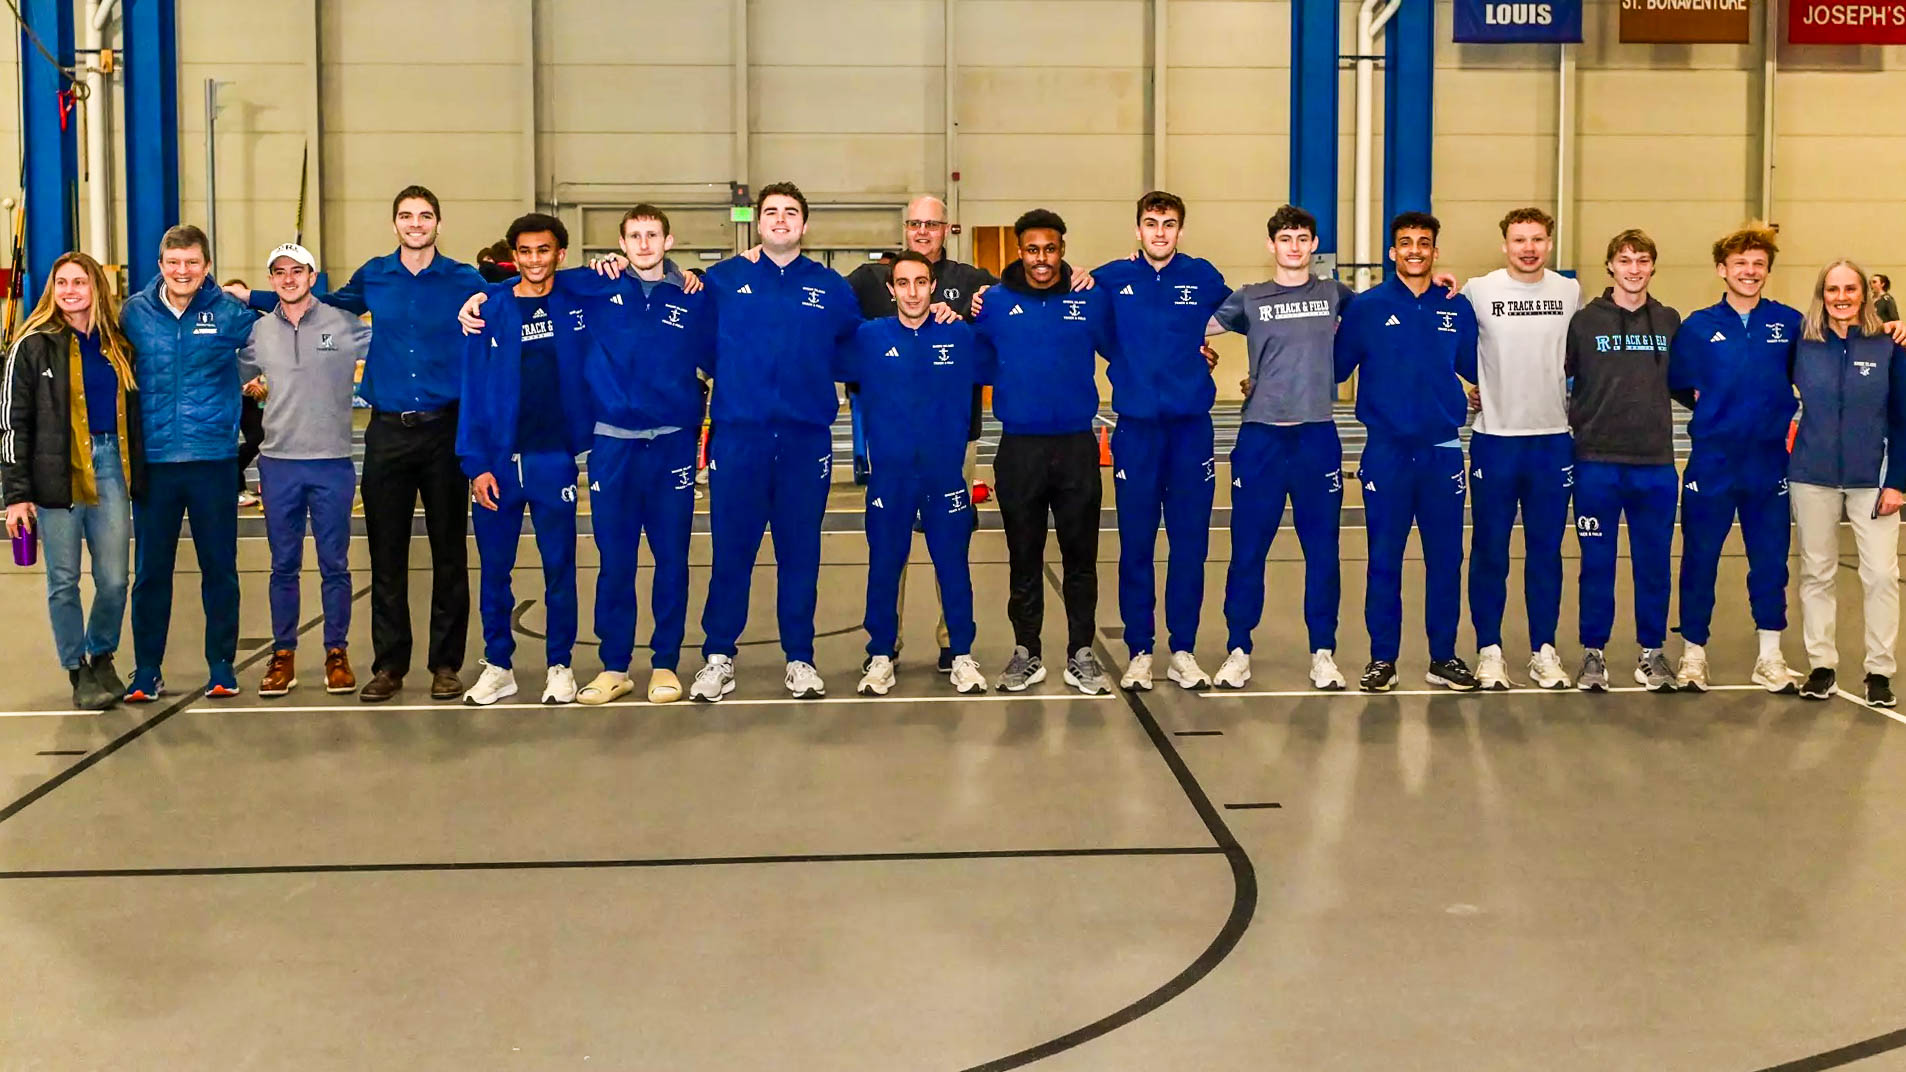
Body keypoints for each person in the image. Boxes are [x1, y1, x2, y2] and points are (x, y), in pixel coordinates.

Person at [232, 186, 487, 703]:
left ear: (439, 222)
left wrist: (491, 298)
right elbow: (312, 302)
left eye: (425, 215)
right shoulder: (374, 274)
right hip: (388, 431)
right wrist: (249, 299)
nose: (415, 223)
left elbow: (516, 294)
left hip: (445, 430)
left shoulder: (464, 279)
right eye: (406, 215)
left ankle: (445, 665)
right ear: (394, 223)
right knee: (385, 555)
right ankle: (389, 666)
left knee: (449, 555)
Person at [687, 182, 860, 702]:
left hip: (806, 441)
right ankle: (719, 656)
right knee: (731, 552)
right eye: (771, 212)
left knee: (800, 553)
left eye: (791, 213)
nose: (781, 219)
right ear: (757, 223)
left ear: (804, 226)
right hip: (740, 438)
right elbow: (695, 343)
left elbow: (854, 350)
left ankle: (800, 657)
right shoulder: (722, 281)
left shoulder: (831, 288)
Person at [1205, 204, 1352, 691]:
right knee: (1248, 550)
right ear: (1271, 245)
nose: (1294, 246)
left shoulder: (1334, 294)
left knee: (1322, 551)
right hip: (1261, 438)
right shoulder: (1248, 298)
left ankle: (1323, 652)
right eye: (1285, 238)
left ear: (1314, 245)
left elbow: (1388, 311)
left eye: (1303, 238)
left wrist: (1441, 286)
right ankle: (1238, 649)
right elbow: (1189, 327)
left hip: (1315, 437)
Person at [1334, 212, 1481, 693]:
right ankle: (1383, 658)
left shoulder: (1455, 307)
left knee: (1446, 560)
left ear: (1436, 251)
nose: (1415, 250)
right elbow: (1333, 368)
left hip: (1441, 454)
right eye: (1405, 243)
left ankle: (1444, 656)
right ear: (1392, 252)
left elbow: (1476, 366)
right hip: (1386, 453)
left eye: (1424, 243)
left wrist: (1477, 392)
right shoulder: (1368, 307)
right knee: (1384, 559)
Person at [1089, 191, 1229, 692]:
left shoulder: (1203, 274)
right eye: (1151, 223)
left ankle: (1184, 650)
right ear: (1137, 230)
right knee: (1137, 547)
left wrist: (1203, 346)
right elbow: (1070, 300)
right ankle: (1140, 650)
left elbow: (1246, 310)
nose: (1160, 232)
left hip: (1191, 429)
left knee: (1190, 545)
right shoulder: (1110, 278)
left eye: (1169, 224)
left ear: (1181, 231)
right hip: (1137, 432)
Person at [456, 214, 595, 706]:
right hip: (496, 463)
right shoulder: (489, 308)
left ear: (560, 252)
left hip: (552, 459)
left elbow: (634, 273)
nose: (534, 259)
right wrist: (475, 462)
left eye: (544, 250)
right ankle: (499, 665)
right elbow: (472, 387)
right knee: (495, 571)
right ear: (512, 255)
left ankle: (561, 665)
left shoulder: (578, 298)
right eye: (525, 251)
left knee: (560, 566)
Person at [975, 208, 1115, 695]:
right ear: (1019, 251)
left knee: (1081, 557)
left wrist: (1195, 352)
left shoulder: (1087, 299)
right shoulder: (991, 302)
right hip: (1019, 450)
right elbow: (960, 349)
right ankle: (1026, 652)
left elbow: (1130, 346)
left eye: (1051, 249)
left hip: (1076, 447)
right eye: (1033, 249)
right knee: (1023, 556)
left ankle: (1081, 652)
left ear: (1062, 249)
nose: (1042, 259)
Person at [843, 251, 991, 696]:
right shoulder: (868, 337)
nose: (912, 291)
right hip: (890, 478)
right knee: (885, 566)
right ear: (891, 290)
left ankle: (962, 654)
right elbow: (807, 345)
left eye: (921, 282)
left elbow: (1015, 333)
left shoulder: (960, 336)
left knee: (953, 566)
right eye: (903, 283)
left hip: (945, 476)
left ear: (933, 287)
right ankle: (882, 654)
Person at [120, 225, 258, 701]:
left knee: (219, 568)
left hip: (213, 461)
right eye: (174, 263)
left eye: (192, 263)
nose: (183, 271)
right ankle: (146, 669)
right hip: (154, 465)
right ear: (161, 265)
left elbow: (277, 342)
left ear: (206, 266)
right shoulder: (133, 314)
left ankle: (221, 665)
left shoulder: (229, 314)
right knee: (151, 572)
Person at [1, 252, 144, 710]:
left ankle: (102, 653)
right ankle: (76, 668)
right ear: (52, 289)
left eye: (79, 282)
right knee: (63, 580)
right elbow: (11, 423)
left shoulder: (118, 345)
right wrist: (16, 496)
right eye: (61, 282)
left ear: (96, 289)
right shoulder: (32, 345)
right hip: (54, 476)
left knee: (114, 579)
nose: (69, 290)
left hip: (109, 467)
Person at [1669, 224, 1804, 694]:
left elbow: (1813, 370)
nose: (1750, 272)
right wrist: (1716, 412)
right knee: (1700, 558)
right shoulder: (1698, 326)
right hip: (1713, 461)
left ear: (1767, 271)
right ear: (1721, 270)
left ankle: (1770, 656)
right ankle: (1693, 654)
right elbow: (1680, 384)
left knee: (1770, 561)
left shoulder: (1789, 323)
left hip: (1768, 463)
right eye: (1741, 264)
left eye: (1758, 265)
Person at [240, 243, 370, 699]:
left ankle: (337, 652)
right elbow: (226, 371)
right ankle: (284, 656)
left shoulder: (345, 325)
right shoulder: (257, 332)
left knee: (335, 565)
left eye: (298, 271)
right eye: (280, 272)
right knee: (283, 566)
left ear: (314, 276)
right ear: (271, 279)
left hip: (332, 463)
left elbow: (397, 350)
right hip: (278, 465)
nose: (289, 278)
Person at [1462, 208, 1582, 690]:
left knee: (1546, 552)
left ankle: (1544, 649)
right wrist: (1460, 386)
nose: (1528, 248)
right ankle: (1489, 650)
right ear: (1504, 244)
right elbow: (1440, 334)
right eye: (1519, 240)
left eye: (1537, 239)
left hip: (1553, 440)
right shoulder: (1478, 291)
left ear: (1549, 243)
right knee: (1489, 550)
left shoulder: (1569, 292)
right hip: (1495, 440)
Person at [1564, 229, 1684, 693]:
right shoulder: (1583, 322)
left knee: (1653, 562)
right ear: (1610, 265)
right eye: (1625, 260)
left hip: (1654, 463)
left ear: (1653, 267)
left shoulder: (1671, 321)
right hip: (1596, 460)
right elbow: (1556, 373)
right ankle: (1593, 652)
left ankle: (1651, 652)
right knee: (1596, 562)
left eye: (1642, 260)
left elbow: (1690, 382)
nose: (1634, 269)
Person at [1788, 260, 1906, 706]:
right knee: (1816, 572)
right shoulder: (1803, 341)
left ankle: (1879, 671)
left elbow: (1903, 417)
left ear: (1865, 294)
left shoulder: (1889, 345)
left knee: (1880, 575)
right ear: (1822, 293)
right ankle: (1821, 666)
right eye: (1833, 289)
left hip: (1872, 481)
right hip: (1811, 476)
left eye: (1850, 288)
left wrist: (1897, 481)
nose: (1841, 297)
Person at [224, 277, 264, 509]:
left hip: (249, 399)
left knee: (259, 437)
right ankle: (235, 487)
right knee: (228, 443)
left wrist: (257, 381)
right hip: (228, 397)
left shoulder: (255, 325)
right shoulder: (220, 326)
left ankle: (240, 481)